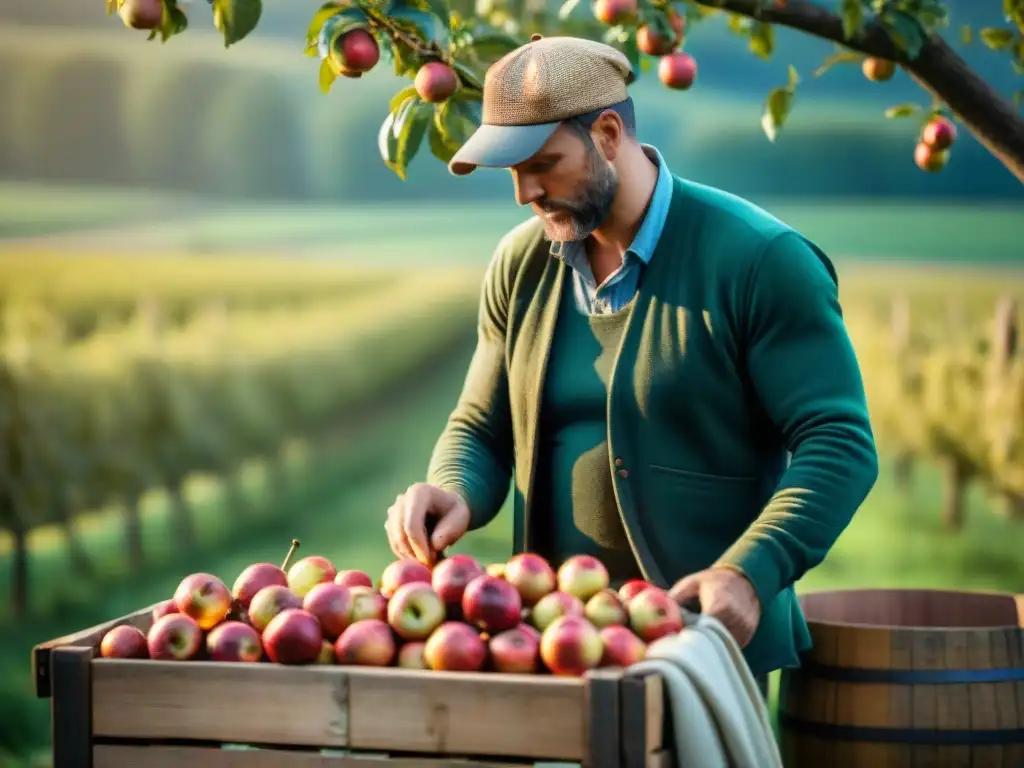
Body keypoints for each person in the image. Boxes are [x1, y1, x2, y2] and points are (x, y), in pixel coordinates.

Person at [384, 35, 879, 693]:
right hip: (548, 644)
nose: (525, 192)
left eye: (543, 163)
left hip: (703, 651)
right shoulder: (520, 264)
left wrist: (751, 572)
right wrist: (452, 487)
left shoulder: (761, 262)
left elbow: (839, 444)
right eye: (511, 171)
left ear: (609, 133)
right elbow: (480, 426)